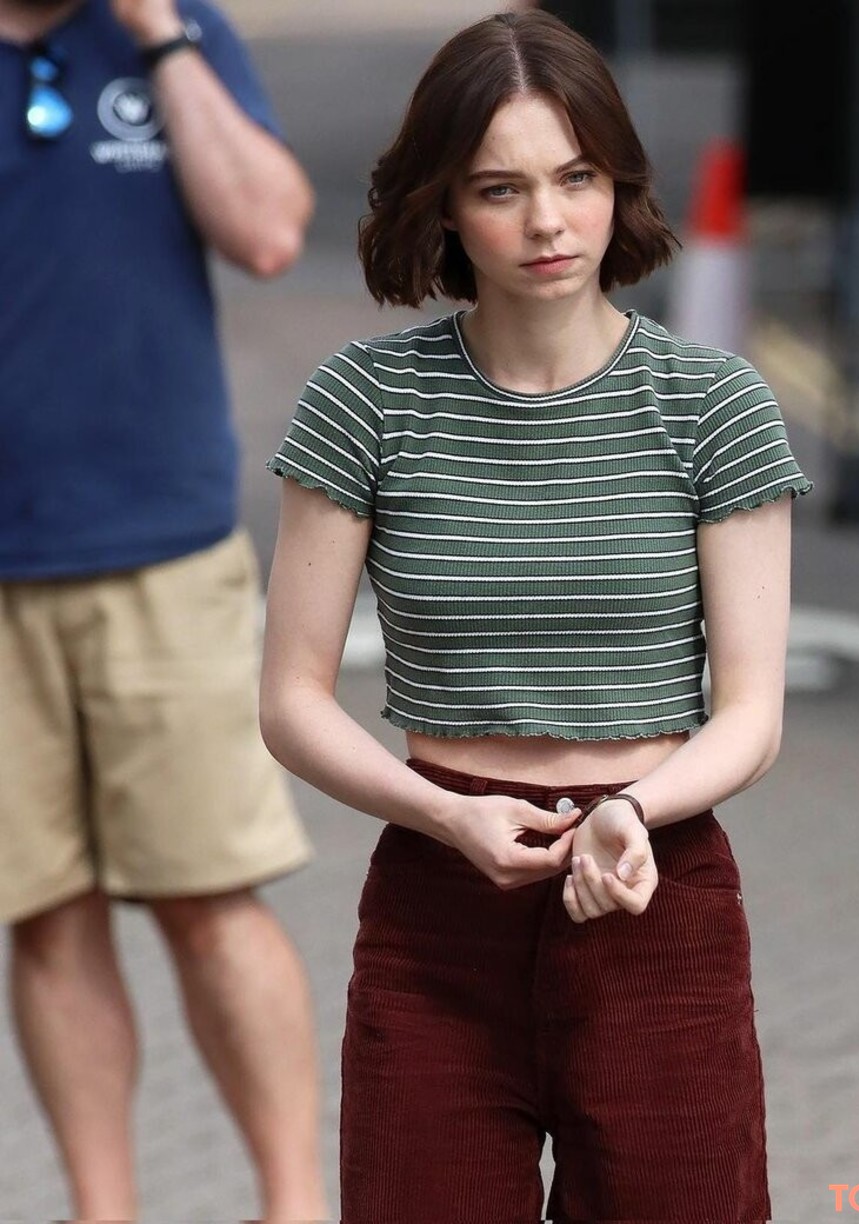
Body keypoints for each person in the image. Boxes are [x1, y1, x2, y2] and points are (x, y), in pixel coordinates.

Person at [262, 10, 811, 1222]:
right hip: (437, 904)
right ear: (445, 209)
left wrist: (633, 811)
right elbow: (292, 700)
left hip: (653, 889)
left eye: (577, 177)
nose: (549, 221)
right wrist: (442, 815)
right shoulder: (366, 400)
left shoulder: (712, 403)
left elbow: (752, 713)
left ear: (620, 184)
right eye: (500, 189)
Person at [0, 0, 328, 1219]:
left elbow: (270, 231)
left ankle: (295, 1205)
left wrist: (159, 35)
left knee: (208, 898)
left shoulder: (176, 30)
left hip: (161, 553)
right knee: (44, 916)